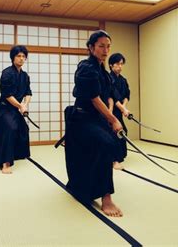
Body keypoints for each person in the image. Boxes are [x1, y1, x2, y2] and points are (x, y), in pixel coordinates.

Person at [64, 30, 124, 217]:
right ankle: (106, 198)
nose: (106, 50)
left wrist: (115, 114)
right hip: (82, 119)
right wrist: (112, 119)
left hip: (96, 118)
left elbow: (109, 97)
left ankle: (89, 187)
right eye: (101, 46)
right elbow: (94, 98)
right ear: (91, 48)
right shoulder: (86, 67)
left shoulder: (102, 71)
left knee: (112, 142)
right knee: (105, 144)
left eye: (108, 46)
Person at [0, 45, 32, 174]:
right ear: (13, 58)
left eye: (23, 56)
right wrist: (20, 106)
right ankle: (5, 163)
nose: (21, 59)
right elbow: (7, 94)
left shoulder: (25, 76)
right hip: (3, 108)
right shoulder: (7, 73)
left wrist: (25, 105)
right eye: (18, 56)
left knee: (23, 128)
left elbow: (28, 92)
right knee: (10, 128)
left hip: (15, 107)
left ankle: (17, 154)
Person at [109, 53, 130, 169]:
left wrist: (124, 108)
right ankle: (114, 160)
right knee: (116, 133)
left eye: (122, 64)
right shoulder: (108, 78)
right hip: (110, 110)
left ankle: (119, 156)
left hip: (120, 110)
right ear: (111, 65)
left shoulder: (123, 80)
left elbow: (126, 95)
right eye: (117, 64)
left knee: (123, 131)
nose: (120, 66)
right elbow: (113, 96)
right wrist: (123, 108)